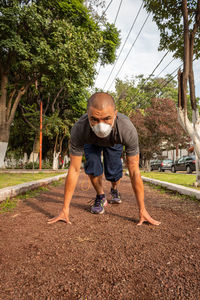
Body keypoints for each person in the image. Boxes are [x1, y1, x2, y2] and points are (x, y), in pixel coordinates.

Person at [48, 92, 160, 226]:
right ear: (87, 115)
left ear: (115, 114)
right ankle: (101, 196)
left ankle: (114, 189)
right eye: (94, 119)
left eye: (107, 118)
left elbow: (135, 171)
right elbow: (74, 169)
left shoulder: (126, 129)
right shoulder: (79, 129)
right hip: (91, 142)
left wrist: (143, 210)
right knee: (93, 168)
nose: (101, 126)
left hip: (115, 142)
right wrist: (64, 209)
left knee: (114, 174)